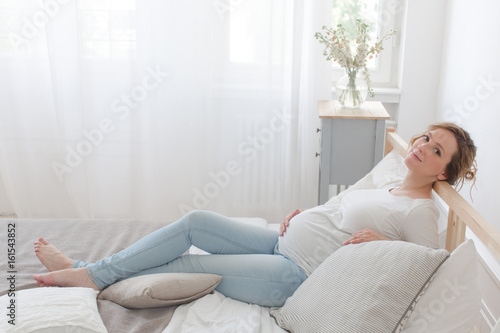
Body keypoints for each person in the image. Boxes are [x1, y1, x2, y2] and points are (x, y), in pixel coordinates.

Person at [33, 122, 477, 307]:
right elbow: (344, 213)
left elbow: (426, 267)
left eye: (436, 150)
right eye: (424, 138)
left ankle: (88, 276)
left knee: (186, 264)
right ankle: (89, 272)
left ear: (445, 171)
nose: (420, 148)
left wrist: (383, 244)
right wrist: (308, 214)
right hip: (280, 242)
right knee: (195, 223)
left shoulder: (424, 211)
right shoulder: (392, 185)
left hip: (294, 273)